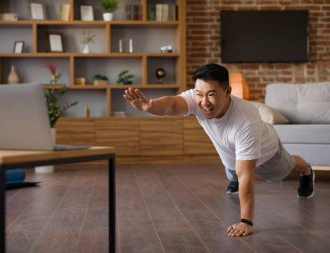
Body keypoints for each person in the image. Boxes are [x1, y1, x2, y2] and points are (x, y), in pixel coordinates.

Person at [123, 63, 315, 237]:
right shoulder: (197, 97)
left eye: (212, 94)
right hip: (230, 155)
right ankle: (233, 180)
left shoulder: (246, 121)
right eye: (199, 93)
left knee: (281, 172)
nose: (204, 102)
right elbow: (173, 104)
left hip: (267, 155)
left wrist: (246, 221)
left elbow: (247, 175)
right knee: (232, 172)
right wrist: (150, 106)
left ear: (228, 91)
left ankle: (306, 170)